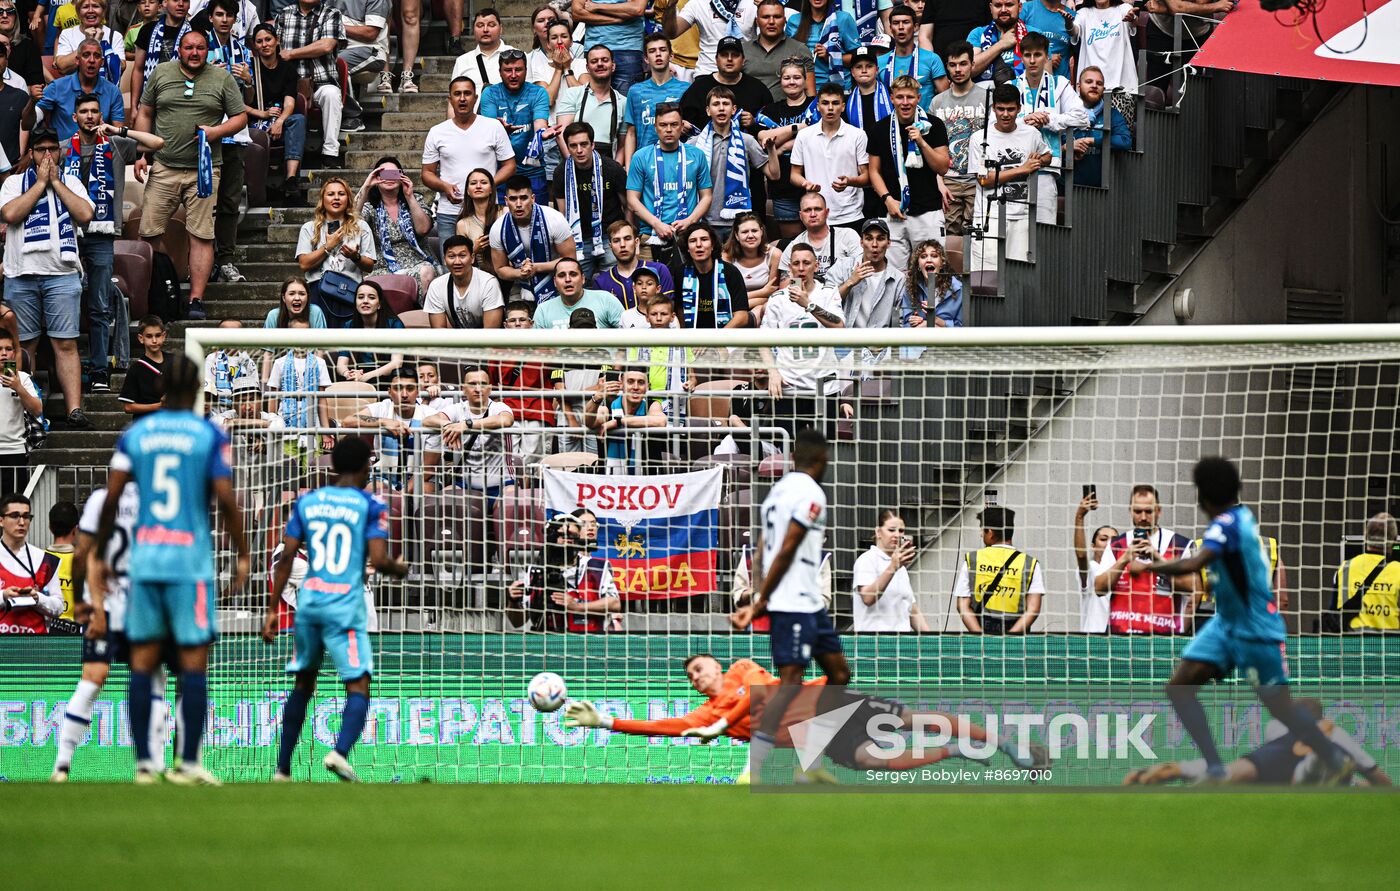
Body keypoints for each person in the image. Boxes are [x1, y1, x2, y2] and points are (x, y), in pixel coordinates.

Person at [1130, 456, 1354, 785]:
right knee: (1180, 688)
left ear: (1201, 496)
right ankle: (1216, 769)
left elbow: (1197, 564)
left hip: (1255, 629)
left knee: (1279, 707)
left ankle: (1334, 758)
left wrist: (1148, 567)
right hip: (1226, 623)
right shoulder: (1239, 516)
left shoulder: (1226, 525)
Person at [89, 353, 250, 784]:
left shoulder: (136, 433)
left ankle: (144, 764)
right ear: (199, 387)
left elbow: (112, 496)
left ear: (161, 390)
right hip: (190, 563)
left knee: (141, 662)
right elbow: (225, 497)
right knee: (194, 663)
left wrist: (103, 553)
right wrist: (242, 554)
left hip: (145, 561)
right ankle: (189, 763)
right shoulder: (207, 434)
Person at [564, 654, 1047, 774]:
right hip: (817, 736)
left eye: (699, 668)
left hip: (826, 702)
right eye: (691, 677)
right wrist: (607, 721)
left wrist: (716, 724)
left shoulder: (740, 670)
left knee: (910, 720)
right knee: (874, 763)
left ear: (715, 663)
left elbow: (753, 694)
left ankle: (1005, 742)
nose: (697, 677)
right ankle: (959, 751)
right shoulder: (706, 711)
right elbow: (662, 728)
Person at [265, 436, 409, 782]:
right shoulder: (371, 505)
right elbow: (377, 559)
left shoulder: (308, 502)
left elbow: (285, 558)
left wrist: (271, 609)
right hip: (345, 601)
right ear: (365, 468)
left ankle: (282, 770)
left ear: (332, 466)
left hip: (311, 599)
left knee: (303, 684)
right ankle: (339, 753)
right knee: (358, 684)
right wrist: (398, 569)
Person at [730, 428, 851, 784]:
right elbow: (786, 548)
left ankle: (809, 764)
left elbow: (762, 549)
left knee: (840, 674)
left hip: (809, 602)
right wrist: (761, 601)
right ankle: (752, 770)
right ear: (822, 460)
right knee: (790, 682)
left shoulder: (775, 493)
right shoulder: (811, 493)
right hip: (791, 602)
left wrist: (756, 590)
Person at [51, 479, 172, 780]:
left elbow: (84, 555)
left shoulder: (100, 500)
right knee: (153, 682)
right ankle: (153, 765)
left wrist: (84, 602)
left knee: (93, 680)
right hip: (142, 606)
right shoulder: (161, 501)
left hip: (105, 604)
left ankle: (62, 765)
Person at [132, 27, 247, 321]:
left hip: (205, 170)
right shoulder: (160, 72)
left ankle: (196, 299)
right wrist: (142, 153)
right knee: (148, 232)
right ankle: (164, 286)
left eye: (200, 48)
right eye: (188, 48)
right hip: (164, 166)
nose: (194, 53)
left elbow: (240, 117)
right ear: (178, 51)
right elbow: (145, 112)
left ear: (206, 51)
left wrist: (215, 132)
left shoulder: (221, 78)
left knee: (201, 235)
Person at [1, 126, 94, 430]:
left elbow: (84, 215)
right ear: (31, 154)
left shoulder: (71, 182)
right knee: (22, 345)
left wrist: (54, 182)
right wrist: (41, 184)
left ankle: (74, 411)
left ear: (60, 151)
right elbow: (11, 214)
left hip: (62, 275)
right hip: (21, 274)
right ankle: (22, 414)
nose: (46, 155)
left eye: (52, 149)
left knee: (65, 344)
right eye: (40, 150)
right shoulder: (14, 183)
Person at [67, 94, 161, 392]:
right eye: (84, 111)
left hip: (102, 236)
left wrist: (120, 130)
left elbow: (157, 144)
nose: (90, 116)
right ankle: (63, 372)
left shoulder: (116, 145)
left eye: (95, 111)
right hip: (67, 234)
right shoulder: (59, 150)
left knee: (98, 305)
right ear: (75, 117)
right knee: (63, 301)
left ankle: (98, 370)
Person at [1125, 698, 1390, 787]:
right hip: (1309, 767)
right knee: (1327, 772)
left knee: (1234, 772)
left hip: (1276, 760)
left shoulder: (1275, 727)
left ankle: (1182, 769)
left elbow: (1273, 759)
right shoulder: (1339, 734)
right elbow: (1380, 778)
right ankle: (1321, 764)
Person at [422, 76, 516, 248]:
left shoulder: (493, 127)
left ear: (476, 98)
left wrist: (488, 185)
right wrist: (444, 187)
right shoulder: (437, 132)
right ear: (450, 100)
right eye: (457, 94)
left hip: (486, 211)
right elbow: (427, 173)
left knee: (490, 262)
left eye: (467, 93)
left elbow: (510, 165)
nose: (463, 98)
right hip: (449, 210)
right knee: (451, 264)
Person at [868, 74, 950, 272]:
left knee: (932, 273)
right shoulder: (880, 129)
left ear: (918, 98)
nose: (905, 103)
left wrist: (921, 141)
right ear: (892, 98)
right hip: (893, 212)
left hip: (927, 212)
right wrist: (887, 199)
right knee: (895, 276)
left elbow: (942, 167)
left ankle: (931, 304)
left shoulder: (933, 125)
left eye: (910, 97)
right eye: (900, 97)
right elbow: (874, 172)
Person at [967, 81, 1049, 271]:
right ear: (993, 108)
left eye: (1010, 109)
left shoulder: (1031, 133)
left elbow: (1047, 154)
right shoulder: (980, 138)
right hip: (989, 215)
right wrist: (1022, 169)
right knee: (986, 275)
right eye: (1001, 109)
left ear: (1019, 109)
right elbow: (983, 179)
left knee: (1018, 275)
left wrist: (1039, 159)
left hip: (1021, 214)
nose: (1005, 114)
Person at [1092, 482, 1194, 635]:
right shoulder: (1116, 545)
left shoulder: (1179, 544)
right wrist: (1124, 559)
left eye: (1149, 511)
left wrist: (1157, 559)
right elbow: (1099, 589)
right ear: (1130, 511)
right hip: (1121, 635)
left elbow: (1192, 587)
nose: (1143, 517)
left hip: (1164, 635)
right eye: (1138, 511)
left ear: (1158, 511)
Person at [203, 0, 253, 285]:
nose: (224, 19)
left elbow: (248, 102)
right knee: (204, 201)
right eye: (219, 14)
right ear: (210, 17)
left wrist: (247, 80)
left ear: (235, 19)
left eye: (229, 15)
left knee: (230, 202)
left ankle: (226, 260)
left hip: (234, 135)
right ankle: (203, 260)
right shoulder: (199, 47)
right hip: (207, 133)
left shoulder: (241, 49)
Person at [1012, 31, 1086, 223]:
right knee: (1016, 230)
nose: (1032, 60)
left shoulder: (1059, 84)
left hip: (1047, 167)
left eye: (1037, 55)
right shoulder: (1011, 86)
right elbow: (993, 123)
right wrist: (1025, 120)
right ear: (1021, 57)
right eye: (1027, 55)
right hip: (1015, 167)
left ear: (1047, 56)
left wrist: (1048, 120)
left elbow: (1082, 117)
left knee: (1044, 230)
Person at [625, 101, 712, 255]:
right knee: (650, 279)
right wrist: (657, 224)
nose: (669, 130)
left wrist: (689, 221)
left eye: (674, 124)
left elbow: (706, 196)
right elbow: (632, 200)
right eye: (663, 125)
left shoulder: (697, 155)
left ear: (682, 126)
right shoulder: (641, 157)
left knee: (688, 279)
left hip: (689, 235)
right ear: (655, 127)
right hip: (651, 234)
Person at [424, 365, 516, 510]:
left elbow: (506, 420)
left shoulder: (499, 407)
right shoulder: (457, 409)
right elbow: (428, 420)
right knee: (440, 504)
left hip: (501, 486)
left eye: (483, 384)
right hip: (465, 485)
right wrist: (450, 425)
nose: (478, 389)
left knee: (511, 507)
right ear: (463, 388)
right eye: (472, 384)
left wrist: (467, 425)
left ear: (490, 388)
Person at [273, 0, 349, 165]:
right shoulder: (284, 14)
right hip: (289, 86)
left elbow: (326, 46)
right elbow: (274, 47)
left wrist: (292, 54)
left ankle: (330, 152)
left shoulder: (331, 14)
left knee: (331, 94)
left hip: (321, 83)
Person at [552, 121, 628, 280]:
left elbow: (626, 204)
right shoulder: (561, 173)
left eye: (584, 144)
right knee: (578, 284)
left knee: (615, 283)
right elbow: (563, 212)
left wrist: (628, 233)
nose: (579, 150)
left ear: (592, 144)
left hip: (610, 235)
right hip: (579, 238)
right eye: (573, 146)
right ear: (567, 147)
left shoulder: (611, 168)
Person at [356, 157, 440, 300]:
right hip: (384, 267)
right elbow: (352, 226)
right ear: (376, 177)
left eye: (394, 174)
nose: (389, 178)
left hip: (417, 263)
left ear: (401, 177)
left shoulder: (415, 199)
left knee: (426, 272)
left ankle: (422, 318)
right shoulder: (370, 207)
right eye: (384, 174)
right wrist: (366, 187)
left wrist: (409, 196)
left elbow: (424, 229)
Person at [928, 39, 988, 235]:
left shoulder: (987, 97)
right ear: (947, 67)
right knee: (949, 238)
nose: (958, 70)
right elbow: (931, 147)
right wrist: (938, 181)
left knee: (978, 237)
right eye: (953, 65)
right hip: (949, 181)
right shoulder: (937, 102)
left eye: (963, 63)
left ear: (972, 64)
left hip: (978, 178)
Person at [790, 82, 869, 230]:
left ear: (843, 106)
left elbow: (866, 177)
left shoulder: (857, 135)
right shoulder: (804, 135)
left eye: (835, 103)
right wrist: (806, 184)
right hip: (816, 213)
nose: (830, 108)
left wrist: (849, 181)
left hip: (850, 213)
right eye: (825, 103)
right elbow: (794, 174)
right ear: (818, 106)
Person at [954, 505, 1044, 634]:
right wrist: (1011, 638)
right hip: (1017, 642)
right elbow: (1033, 609)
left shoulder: (972, 559)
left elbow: (962, 605)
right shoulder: (1030, 564)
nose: (980, 534)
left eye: (982, 530)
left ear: (990, 533)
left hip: (981, 638)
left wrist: (980, 637)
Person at [344, 368, 435, 494]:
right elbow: (347, 422)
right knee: (373, 490)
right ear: (389, 392)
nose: (404, 394)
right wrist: (384, 422)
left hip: (420, 476)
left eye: (410, 388)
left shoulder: (431, 415)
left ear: (418, 392)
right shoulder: (382, 408)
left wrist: (404, 492)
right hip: (385, 475)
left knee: (423, 491)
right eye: (398, 389)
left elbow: (428, 467)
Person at [479, 49, 552, 205]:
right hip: (499, 170)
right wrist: (501, 130)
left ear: (526, 70)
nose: (513, 75)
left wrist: (542, 133)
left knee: (538, 219)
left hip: (532, 169)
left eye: (518, 70)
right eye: (507, 70)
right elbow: (489, 129)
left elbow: (540, 122)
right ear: (499, 72)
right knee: (499, 221)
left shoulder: (538, 92)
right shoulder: (490, 93)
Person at [754, 62, 817, 240]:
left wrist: (782, 147)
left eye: (797, 77)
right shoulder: (770, 110)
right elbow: (764, 139)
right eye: (787, 78)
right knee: (793, 244)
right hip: (783, 188)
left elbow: (817, 135)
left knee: (819, 240)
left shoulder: (817, 105)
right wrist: (798, 128)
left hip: (815, 183)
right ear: (780, 81)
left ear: (805, 80)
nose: (792, 82)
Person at [491, 173, 577, 303]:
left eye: (523, 198)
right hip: (520, 283)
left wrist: (536, 268)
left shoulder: (554, 219)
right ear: (506, 201)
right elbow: (500, 269)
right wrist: (521, 273)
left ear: (533, 198)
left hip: (555, 279)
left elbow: (571, 260)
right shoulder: (498, 228)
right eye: (513, 199)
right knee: (516, 318)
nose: (518, 204)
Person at [247, 23, 307, 204]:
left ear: (277, 41)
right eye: (259, 41)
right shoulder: (249, 67)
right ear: (254, 45)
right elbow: (238, 105)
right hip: (254, 120)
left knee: (298, 120)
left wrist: (279, 121)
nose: (264, 44)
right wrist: (263, 114)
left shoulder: (287, 69)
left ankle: (291, 180)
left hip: (278, 120)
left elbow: (290, 102)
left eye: (268, 39)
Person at [488, 300, 553, 466]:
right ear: (505, 325)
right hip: (508, 413)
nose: (518, 324)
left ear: (531, 323)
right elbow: (492, 384)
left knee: (535, 466)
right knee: (508, 463)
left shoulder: (545, 347)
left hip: (538, 412)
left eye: (523, 320)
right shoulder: (496, 350)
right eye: (512, 320)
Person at [295, 176, 377, 300]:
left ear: (348, 199)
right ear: (323, 199)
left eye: (341, 194)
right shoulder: (309, 228)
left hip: (349, 289)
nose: (336, 198)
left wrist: (355, 257)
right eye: (331, 194)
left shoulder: (361, 226)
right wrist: (328, 246)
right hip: (318, 289)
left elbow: (369, 266)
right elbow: (304, 264)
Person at [853, 509, 929, 631]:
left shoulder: (900, 566)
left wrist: (931, 640)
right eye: (891, 530)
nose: (897, 535)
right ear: (878, 532)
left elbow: (912, 608)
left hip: (902, 643)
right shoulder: (866, 560)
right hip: (873, 643)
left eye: (901, 531)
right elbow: (867, 598)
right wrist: (892, 567)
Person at [678, 35, 772, 134]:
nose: (730, 59)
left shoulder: (757, 89)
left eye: (735, 55)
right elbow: (682, 120)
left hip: (747, 147)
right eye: (724, 55)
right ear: (716, 60)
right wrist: (684, 126)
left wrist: (754, 124)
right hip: (704, 147)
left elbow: (771, 127)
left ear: (743, 60)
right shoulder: (699, 88)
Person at [37, 36, 124, 142]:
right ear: (77, 60)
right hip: (64, 154)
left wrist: (105, 130)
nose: (91, 60)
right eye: (86, 55)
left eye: (96, 56)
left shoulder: (113, 91)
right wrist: (32, 102)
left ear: (102, 62)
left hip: (99, 153)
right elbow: (31, 121)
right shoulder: (57, 87)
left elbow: (119, 134)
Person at [267, 322, 334, 459]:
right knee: (289, 469)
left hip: (312, 426)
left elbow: (322, 398)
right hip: (286, 427)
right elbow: (273, 397)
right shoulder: (280, 362)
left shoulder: (319, 363)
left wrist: (325, 430)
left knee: (311, 471)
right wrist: (271, 423)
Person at [0, 492, 64, 633]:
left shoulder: (45, 560)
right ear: (1, 520)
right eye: (15, 516)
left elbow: (59, 607)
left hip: (34, 645)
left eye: (26, 516)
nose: (22, 522)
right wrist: (4, 596)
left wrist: (37, 598)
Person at [621, 32, 687, 165]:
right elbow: (631, 133)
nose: (658, 54)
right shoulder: (635, 91)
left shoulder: (686, 89)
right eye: (652, 51)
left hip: (677, 161)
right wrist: (629, 167)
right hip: (645, 161)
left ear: (671, 56)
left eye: (663, 50)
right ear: (646, 58)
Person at [1328, 513, 1399, 633]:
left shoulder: (1345, 568)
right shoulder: (1398, 571)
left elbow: (1333, 612)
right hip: (1391, 644)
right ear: (1394, 539)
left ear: (1366, 536)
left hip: (1352, 644)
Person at [829, 218, 906, 328]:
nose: (874, 244)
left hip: (881, 343)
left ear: (888, 243)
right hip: (846, 341)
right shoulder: (843, 266)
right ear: (861, 242)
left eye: (880, 239)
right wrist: (850, 282)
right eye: (869, 238)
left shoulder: (898, 279)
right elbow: (826, 303)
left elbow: (900, 322)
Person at [554, 44, 627, 160]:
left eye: (605, 60)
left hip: (607, 164)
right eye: (594, 61)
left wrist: (615, 169)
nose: (600, 64)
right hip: (574, 162)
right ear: (587, 68)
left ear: (613, 66)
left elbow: (623, 145)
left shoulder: (623, 102)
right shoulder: (573, 94)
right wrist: (573, 164)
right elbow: (561, 134)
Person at [589, 366, 666, 471]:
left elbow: (661, 421)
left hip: (646, 482)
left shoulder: (652, 405)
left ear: (648, 386)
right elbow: (588, 421)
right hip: (609, 483)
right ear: (621, 384)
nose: (635, 387)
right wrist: (596, 398)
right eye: (630, 382)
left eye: (641, 382)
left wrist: (619, 422)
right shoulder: (607, 407)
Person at [591, 219, 676, 311]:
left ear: (637, 242)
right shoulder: (601, 282)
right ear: (610, 246)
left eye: (627, 239)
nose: (622, 245)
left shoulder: (660, 270)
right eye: (616, 241)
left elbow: (667, 311)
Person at [677, 223, 750, 329]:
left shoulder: (730, 272)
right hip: (693, 340)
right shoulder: (680, 273)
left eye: (704, 239)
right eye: (693, 241)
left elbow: (742, 316)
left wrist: (717, 340)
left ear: (712, 245)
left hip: (724, 339)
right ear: (687, 248)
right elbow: (680, 312)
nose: (698, 244)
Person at [425, 234, 504, 329]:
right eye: (451, 256)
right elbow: (439, 333)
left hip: (485, 341)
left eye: (462, 256)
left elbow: (491, 334)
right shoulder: (436, 286)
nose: (457, 262)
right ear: (445, 260)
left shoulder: (488, 283)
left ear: (472, 258)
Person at [778, 191, 862, 281]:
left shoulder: (847, 236)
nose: (813, 214)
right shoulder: (794, 246)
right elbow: (785, 284)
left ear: (827, 212)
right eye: (807, 210)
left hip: (844, 292)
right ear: (801, 216)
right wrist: (802, 288)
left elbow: (861, 270)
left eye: (817, 209)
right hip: (807, 293)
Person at [663, 0, 757, 78]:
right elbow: (671, 33)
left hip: (745, 73)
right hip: (708, 72)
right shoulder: (698, 3)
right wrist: (671, 7)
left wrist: (767, 5)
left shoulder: (754, 2)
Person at [1071, 65, 1130, 188]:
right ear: (1078, 86)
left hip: (1103, 191)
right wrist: (1070, 147)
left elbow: (1125, 141)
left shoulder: (1112, 114)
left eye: (1099, 83)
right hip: (1069, 187)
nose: (1094, 85)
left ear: (1103, 89)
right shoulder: (1067, 113)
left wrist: (1093, 141)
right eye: (1089, 82)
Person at [571, 0, 646, 95]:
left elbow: (637, 9)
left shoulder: (595, 5)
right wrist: (616, 19)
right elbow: (577, 13)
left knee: (626, 105)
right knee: (593, 103)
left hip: (627, 47)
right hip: (594, 48)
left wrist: (597, 6)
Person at [335, 279, 403, 383]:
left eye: (371, 297)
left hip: (389, 380)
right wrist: (348, 374)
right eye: (360, 297)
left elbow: (397, 363)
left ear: (379, 304)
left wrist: (367, 376)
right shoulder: (349, 326)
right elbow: (341, 364)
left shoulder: (394, 324)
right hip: (359, 378)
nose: (365, 301)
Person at [130, 0, 189, 118]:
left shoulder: (195, 32)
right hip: (150, 101)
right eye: (176, 0)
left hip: (183, 102)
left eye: (186, 0)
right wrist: (134, 107)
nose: (181, 4)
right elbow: (138, 69)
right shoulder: (148, 30)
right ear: (165, 3)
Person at [0, 331, 43, 495]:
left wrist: (18, 387)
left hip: (14, 450)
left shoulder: (23, 378)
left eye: (8, 349)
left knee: (13, 505)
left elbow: (37, 409)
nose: (4, 353)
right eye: (0, 349)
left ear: (14, 352)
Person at [879, 5, 945, 107]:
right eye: (896, 23)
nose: (901, 27)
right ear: (890, 28)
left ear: (915, 27)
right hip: (891, 121)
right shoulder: (880, 62)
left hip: (926, 122)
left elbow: (945, 98)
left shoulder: (932, 59)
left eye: (906, 22)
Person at [722, 211, 783, 319]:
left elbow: (772, 294)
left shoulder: (774, 254)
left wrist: (743, 302)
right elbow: (725, 297)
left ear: (761, 232)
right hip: (730, 311)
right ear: (736, 235)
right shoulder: (726, 257)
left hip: (762, 309)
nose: (750, 235)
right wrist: (762, 292)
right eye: (745, 232)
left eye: (754, 231)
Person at [743, 0, 812, 95]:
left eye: (777, 17)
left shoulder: (800, 50)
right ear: (757, 21)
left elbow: (810, 93)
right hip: (750, 109)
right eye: (766, 17)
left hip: (788, 109)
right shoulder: (743, 50)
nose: (771, 22)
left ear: (784, 20)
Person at [532, 257, 623, 328]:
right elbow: (536, 349)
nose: (568, 279)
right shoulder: (543, 310)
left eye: (573, 274)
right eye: (562, 275)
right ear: (555, 282)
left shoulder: (605, 299)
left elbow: (627, 336)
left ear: (583, 279)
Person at [786, 0, 859, 89]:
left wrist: (830, 57)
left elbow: (858, 59)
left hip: (837, 88)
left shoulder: (844, 19)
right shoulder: (794, 21)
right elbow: (786, 57)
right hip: (803, 88)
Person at [1073, 488, 1115, 633]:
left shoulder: (1123, 571)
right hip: (1093, 641)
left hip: (1119, 641)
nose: (1109, 543)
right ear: (1093, 546)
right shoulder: (1092, 569)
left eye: (1114, 540)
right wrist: (1079, 517)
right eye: (1103, 539)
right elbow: (1081, 556)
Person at [1071, 0, 1136, 94]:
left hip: (1121, 87)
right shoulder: (1083, 13)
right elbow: (1074, 30)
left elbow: (1133, 21)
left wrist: (1132, 18)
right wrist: (1069, 24)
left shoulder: (1124, 9)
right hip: (1091, 86)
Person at [453, 167, 506, 276]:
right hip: (481, 276)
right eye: (473, 183)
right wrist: (474, 249)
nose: (478, 186)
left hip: (508, 272)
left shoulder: (505, 212)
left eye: (483, 182)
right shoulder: (463, 224)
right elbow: (460, 261)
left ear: (491, 189)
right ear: (468, 191)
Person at [902, 238, 962, 328]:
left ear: (942, 263)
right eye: (923, 256)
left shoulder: (958, 289)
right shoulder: (911, 287)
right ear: (918, 264)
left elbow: (961, 329)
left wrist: (935, 321)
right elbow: (906, 325)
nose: (928, 260)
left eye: (934, 256)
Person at [451, 7, 516, 89]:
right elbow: (455, 97)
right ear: (473, 30)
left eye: (491, 25)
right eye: (480, 25)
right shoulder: (462, 61)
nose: (485, 30)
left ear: (501, 28)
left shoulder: (517, 56)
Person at [118, 314, 167, 418]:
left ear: (164, 336)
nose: (154, 340)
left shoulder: (174, 361)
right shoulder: (136, 369)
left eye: (158, 335)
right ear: (141, 338)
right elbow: (128, 407)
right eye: (149, 336)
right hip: (147, 425)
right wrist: (159, 406)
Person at [967, 0, 1024, 84]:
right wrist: (1000, 45)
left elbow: (1045, 76)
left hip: (1024, 94)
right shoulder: (978, 34)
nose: (1004, 10)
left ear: (1019, 7)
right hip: (985, 94)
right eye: (998, 5)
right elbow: (969, 70)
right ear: (991, 8)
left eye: (1009, 5)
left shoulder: (1034, 34)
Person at [1018, 0, 1073, 79]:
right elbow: (1014, 44)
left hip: (1060, 83)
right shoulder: (1025, 9)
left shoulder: (1072, 16)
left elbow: (1077, 54)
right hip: (1028, 82)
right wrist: (1047, 58)